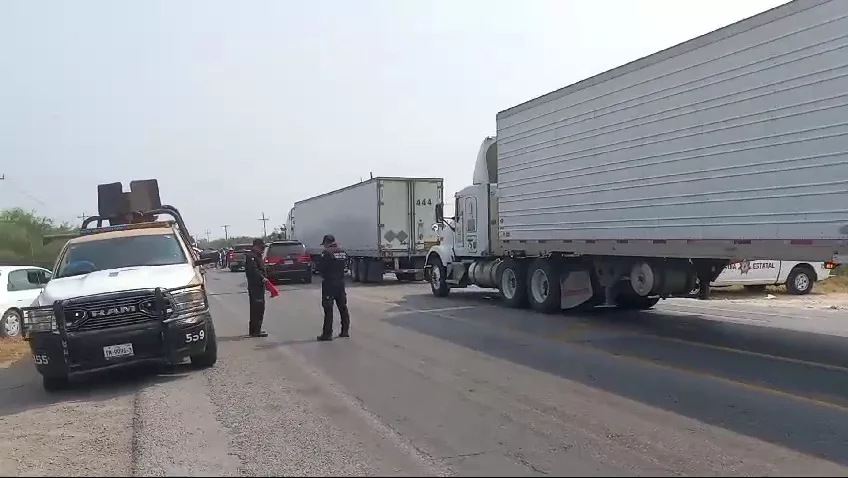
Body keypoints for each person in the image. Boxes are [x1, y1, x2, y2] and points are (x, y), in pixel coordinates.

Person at [316, 234, 350, 341]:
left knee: (328, 309)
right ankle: (345, 331)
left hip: (329, 284)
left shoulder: (326, 253)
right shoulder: (342, 252)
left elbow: (320, 268)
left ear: (326, 242)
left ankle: (327, 334)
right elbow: (346, 266)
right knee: (343, 307)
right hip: (340, 283)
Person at [244, 238, 270, 337]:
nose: (263, 249)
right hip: (255, 286)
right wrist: (263, 278)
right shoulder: (251, 256)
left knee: (258, 308)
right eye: (261, 247)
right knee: (257, 308)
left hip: (259, 286)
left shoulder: (257, 256)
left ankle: (255, 330)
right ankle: (255, 331)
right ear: (256, 246)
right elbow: (254, 271)